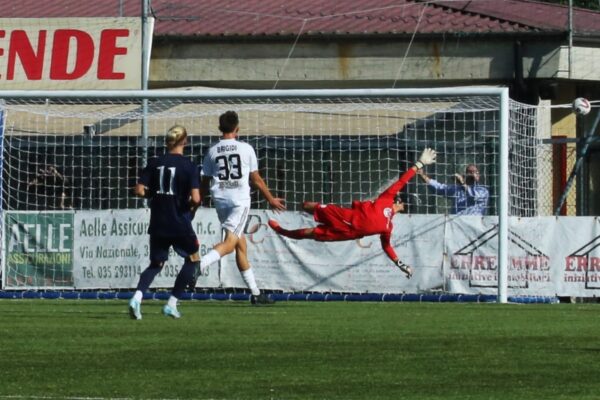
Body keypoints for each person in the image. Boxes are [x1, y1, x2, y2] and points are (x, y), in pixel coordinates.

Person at [268, 148, 437, 278]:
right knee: (307, 205)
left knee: (310, 233)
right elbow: (402, 180)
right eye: (401, 199)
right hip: (344, 215)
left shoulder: (388, 226)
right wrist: (419, 164)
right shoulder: (387, 198)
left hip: (348, 232)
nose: (400, 201)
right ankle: (282, 206)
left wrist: (400, 265)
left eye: (402, 202)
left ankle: (282, 231)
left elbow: (386, 246)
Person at [198, 111, 286, 305]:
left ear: (220, 128)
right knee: (230, 243)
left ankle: (255, 294)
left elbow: (204, 181)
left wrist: (196, 203)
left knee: (241, 245)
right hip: (239, 201)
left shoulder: (212, 150)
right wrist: (270, 199)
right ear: (237, 128)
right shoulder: (246, 148)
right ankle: (199, 265)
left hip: (220, 200)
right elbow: (255, 179)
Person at [128, 125, 201, 320]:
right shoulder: (190, 166)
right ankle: (171, 303)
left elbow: (139, 190)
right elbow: (195, 198)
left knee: (156, 263)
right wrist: (191, 207)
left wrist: (155, 195)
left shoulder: (154, 162)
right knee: (194, 259)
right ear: (184, 141)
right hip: (179, 221)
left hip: (158, 221)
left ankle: (137, 297)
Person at [417, 163, 489, 215]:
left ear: (479, 175)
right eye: (470, 172)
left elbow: (473, 197)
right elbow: (438, 188)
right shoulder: (457, 189)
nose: (473, 174)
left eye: (476, 172)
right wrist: (422, 175)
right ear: (465, 175)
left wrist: (462, 183)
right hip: (457, 225)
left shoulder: (483, 191)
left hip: (474, 227)